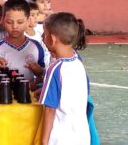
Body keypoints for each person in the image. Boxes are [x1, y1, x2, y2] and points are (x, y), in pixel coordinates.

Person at [38, 12, 90, 144]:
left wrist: (44, 141)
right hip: (81, 136)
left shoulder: (55, 68)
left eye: (44, 34)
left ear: (53, 39)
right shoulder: (78, 63)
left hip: (60, 138)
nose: (42, 37)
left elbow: (50, 109)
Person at [0, 0, 45, 82]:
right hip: (4, 93)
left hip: (29, 94)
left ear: (28, 21)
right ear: (3, 21)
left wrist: (39, 71)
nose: (15, 26)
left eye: (20, 22)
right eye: (10, 22)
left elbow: (42, 75)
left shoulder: (36, 47)